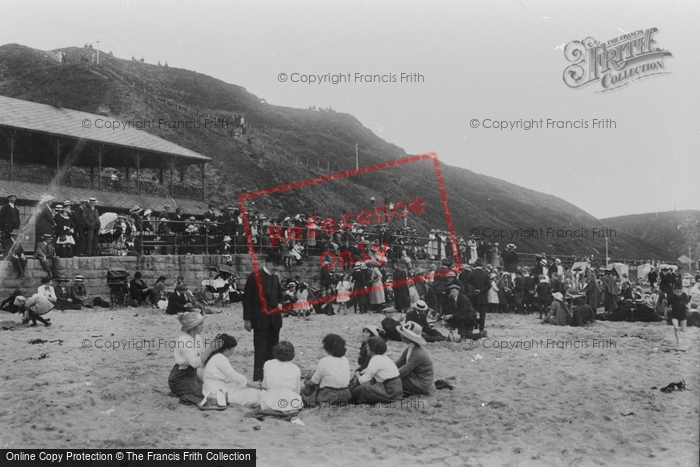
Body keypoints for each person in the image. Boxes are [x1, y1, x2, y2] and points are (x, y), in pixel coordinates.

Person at [243, 254, 284, 382]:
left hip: (274, 321)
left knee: (273, 352)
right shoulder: (254, 277)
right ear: (267, 263)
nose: (276, 268)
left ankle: (270, 379)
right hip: (260, 320)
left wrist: (281, 304)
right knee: (260, 352)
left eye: (278, 266)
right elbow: (247, 299)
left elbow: (279, 296)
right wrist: (247, 319)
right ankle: (259, 380)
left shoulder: (275, 278)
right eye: (274, 265)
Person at [200, 334, 263, 408]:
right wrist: (252, 384)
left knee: (250, 391)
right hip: (218, 393)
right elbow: (234, 376)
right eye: (232, 349)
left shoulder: (217, 356)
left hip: (215, 390)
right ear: (226, 349)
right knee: (255, 393)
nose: (233, 352)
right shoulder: (220, 358)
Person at [168, 312, 215, 405]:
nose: (202, 327)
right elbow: (194, 363)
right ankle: (183, 395)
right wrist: (210, 349)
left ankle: (182, 391)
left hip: (192, 375)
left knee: (209, 390)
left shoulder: (197, 338)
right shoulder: (184, 340)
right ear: (193, 326)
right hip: (179, 377)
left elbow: (202, 359)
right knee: (201, 396)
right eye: (200, 325)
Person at [302, 334, 351, 406]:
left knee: (310, 379)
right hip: (345, 394)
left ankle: (307, 399)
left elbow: (314, 382)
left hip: (329, 395)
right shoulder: (345, 359)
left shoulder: (324, 361)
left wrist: (306, 382)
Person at [350, 337, 402, 404]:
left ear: (372, 349)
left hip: (390, 392)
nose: (366, 348)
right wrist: (363, 372)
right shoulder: (383, 357)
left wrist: (356, 374)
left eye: (367, 346)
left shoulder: (375, 359)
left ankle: (349, 402)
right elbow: (372, 369)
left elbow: (362, 381)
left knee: (361, 389)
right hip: (396, 389)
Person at [260, 341, 303, 413]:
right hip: (290, 402)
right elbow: (297, 390)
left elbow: (265, 386)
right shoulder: (296, 368)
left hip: (270, 402)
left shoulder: (268, 364)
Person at [394, 322, 434, 396]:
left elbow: (404, 371)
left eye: (402, 335)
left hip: (422, 383)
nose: (400, 335)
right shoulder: (410, 348)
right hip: (416, 378)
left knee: (394, 380)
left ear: (408, 337)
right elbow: (399, 362)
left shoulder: (418, 353)